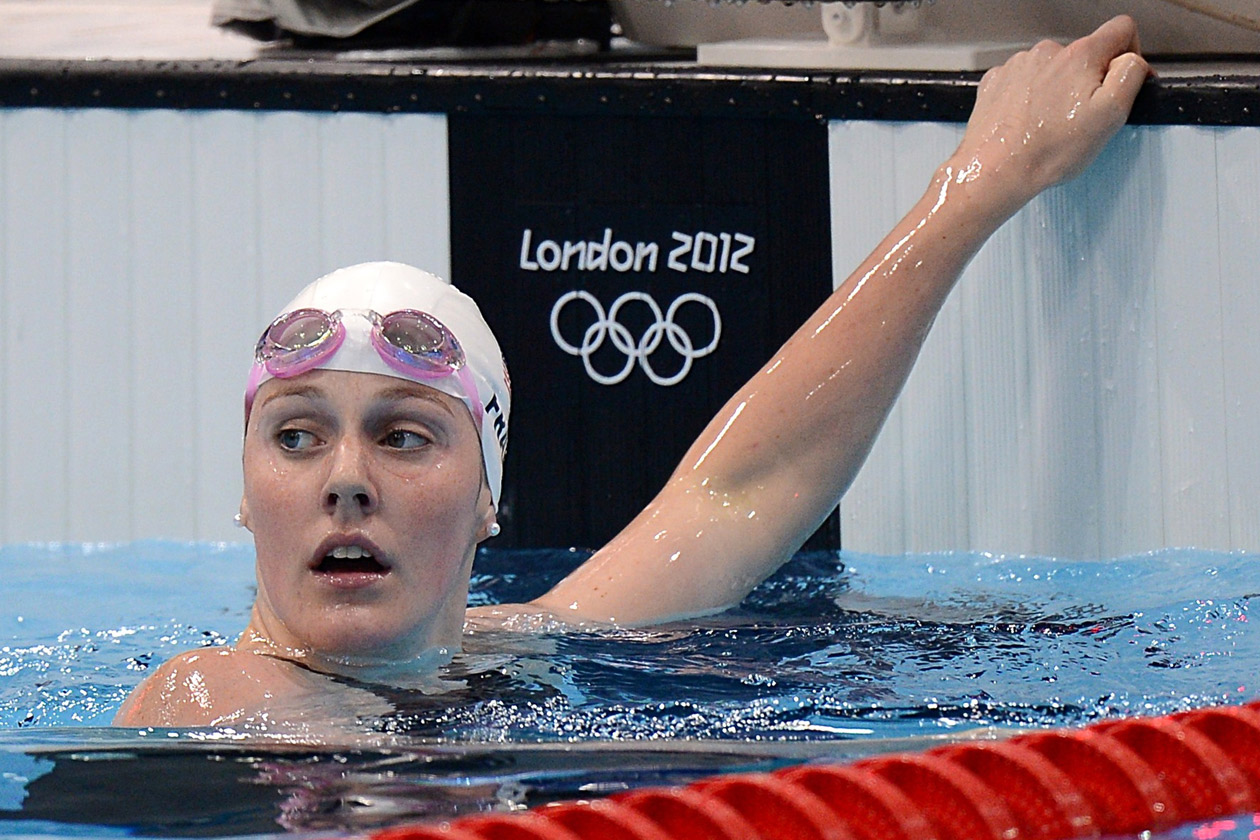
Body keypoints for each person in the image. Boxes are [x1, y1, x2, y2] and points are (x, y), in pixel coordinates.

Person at [115, 16, 1151, 728]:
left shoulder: (508, 649)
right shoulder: (201, 696)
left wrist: (981, 183)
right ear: (246, 499)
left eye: (402, 434)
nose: (343, 476)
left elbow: (739, 489)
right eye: (295, 435)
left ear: (487, 501)